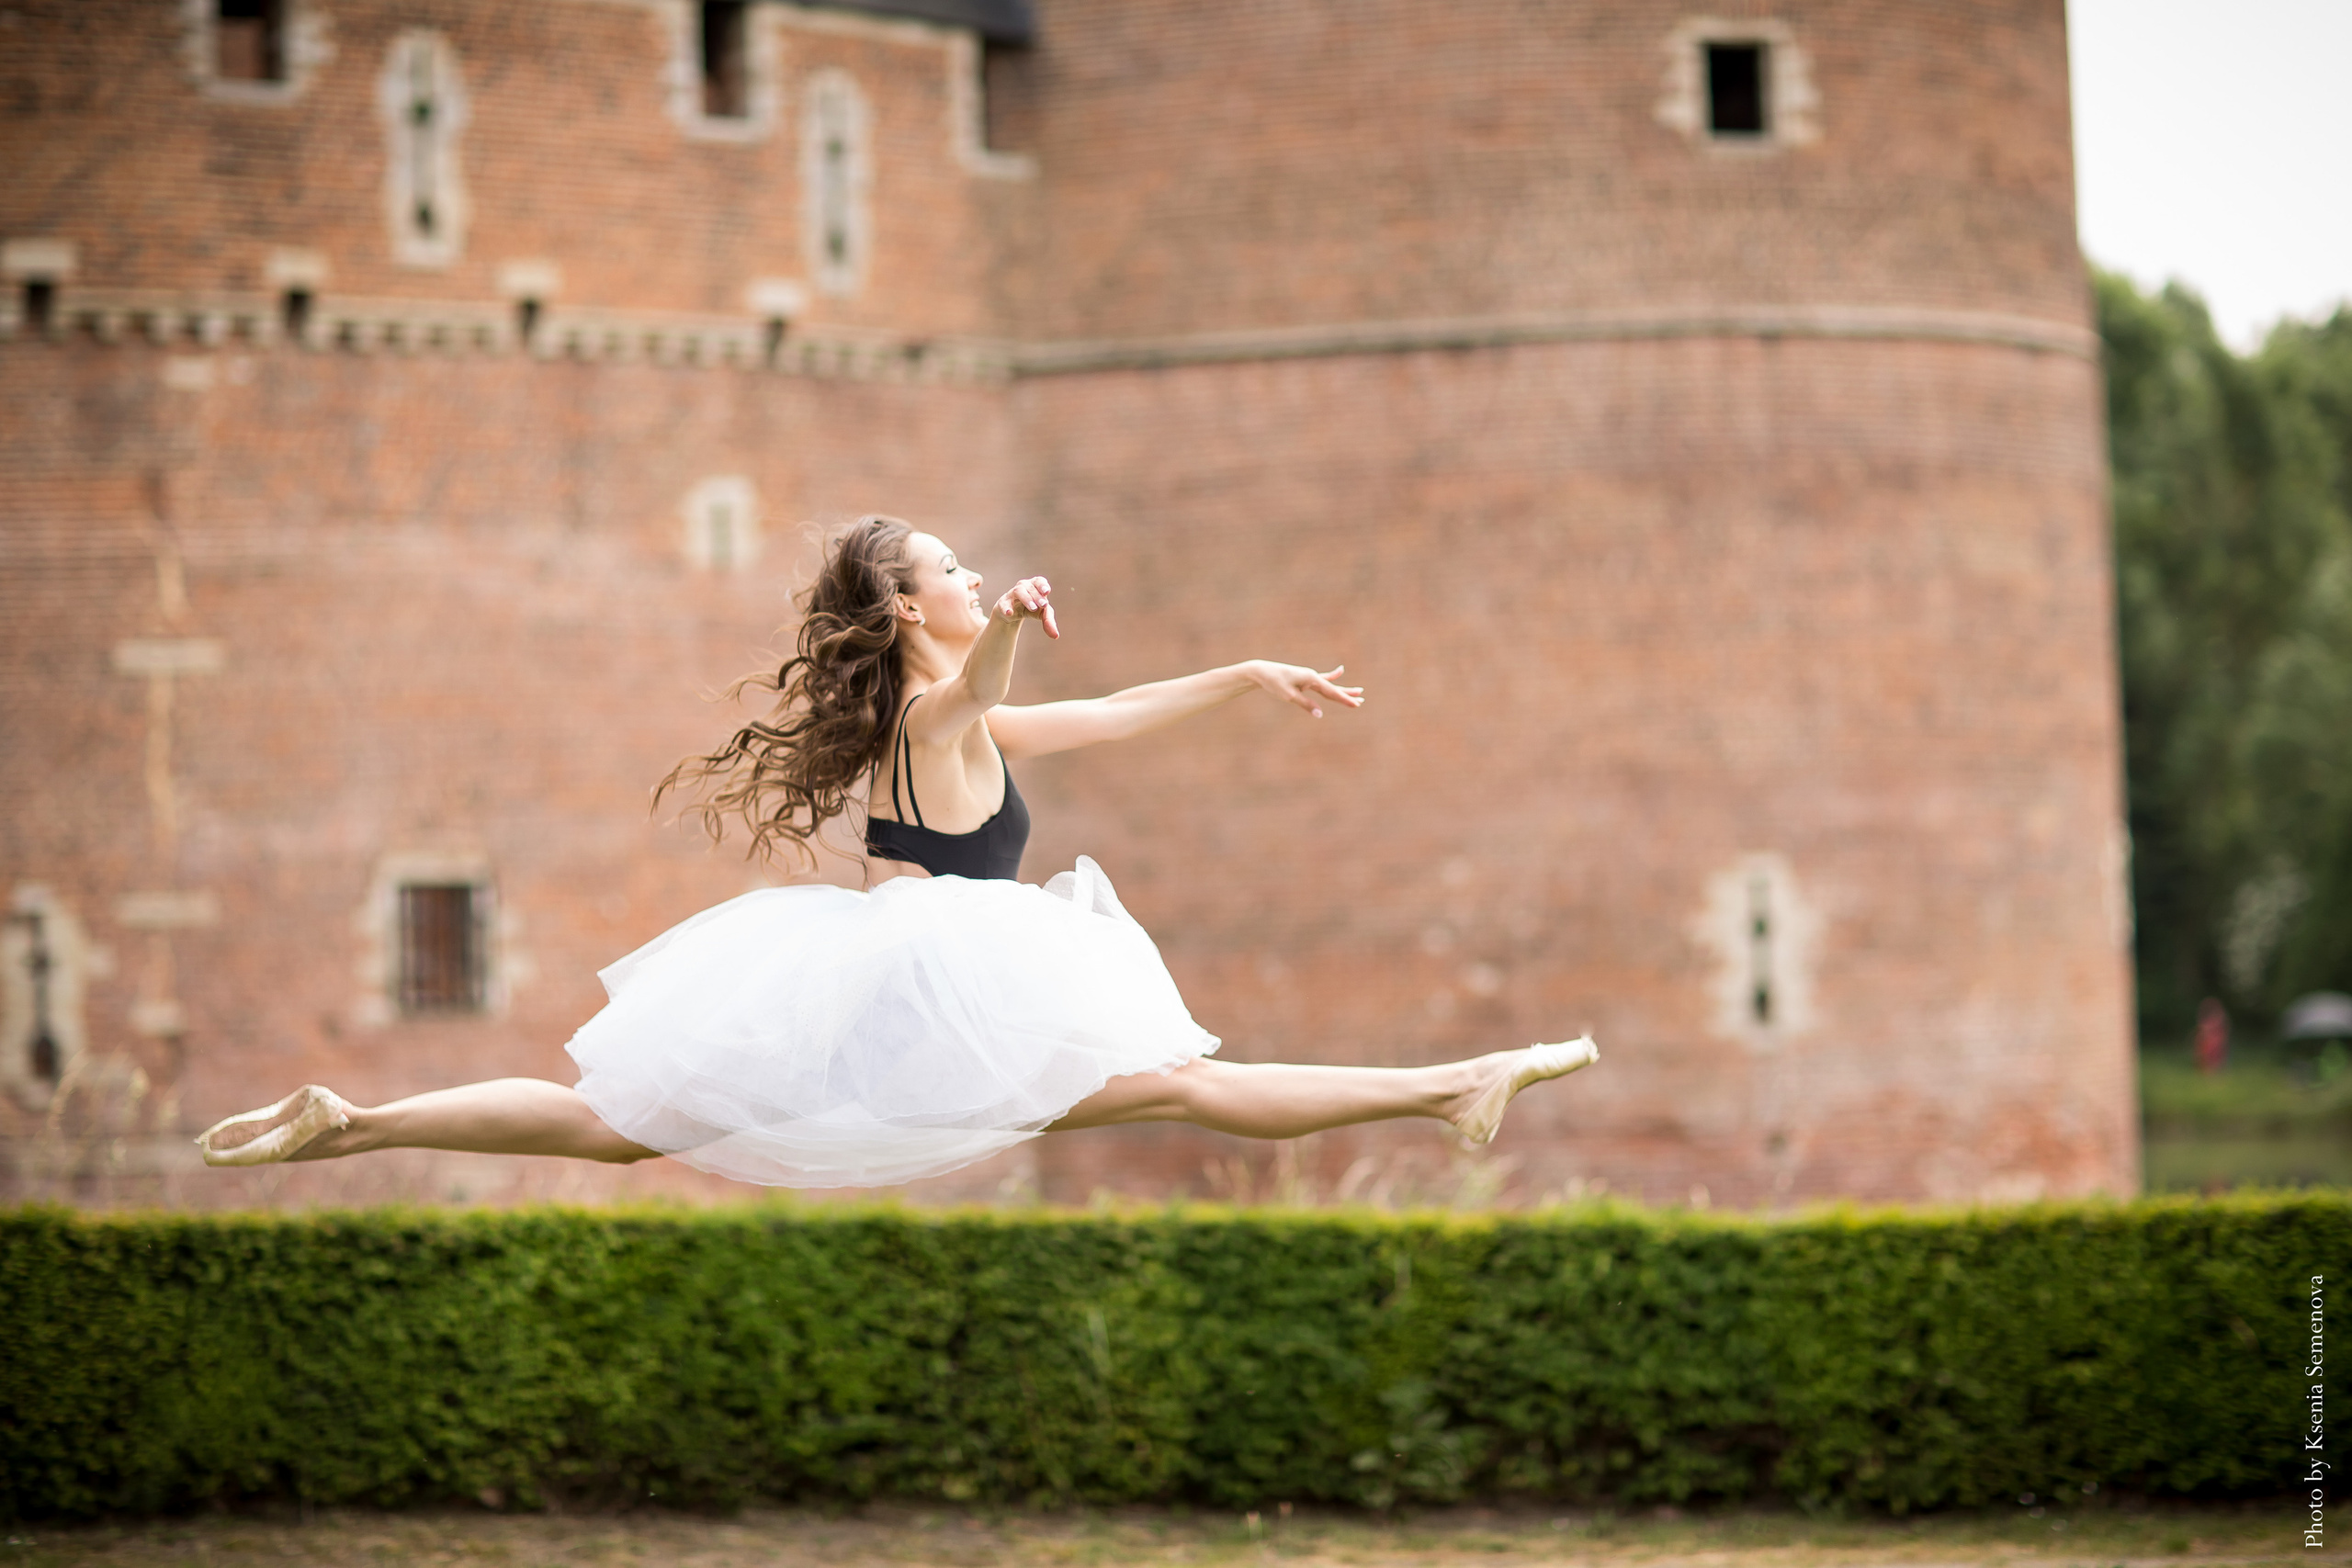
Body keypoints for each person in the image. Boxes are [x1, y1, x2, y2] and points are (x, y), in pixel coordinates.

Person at [197, 515, 1599, 1185]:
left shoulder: (937, 721)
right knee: (1190, 1084)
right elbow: (977, 690)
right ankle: (1452, 1085)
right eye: (953, 568)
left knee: (613, 1127)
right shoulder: (933, 712)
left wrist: (1242, 673)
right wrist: (1011, 623)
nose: (973, 573)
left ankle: (359, 1120)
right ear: (911, 606)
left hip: (882, 997)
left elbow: (1107, 711)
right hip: (927, 997)